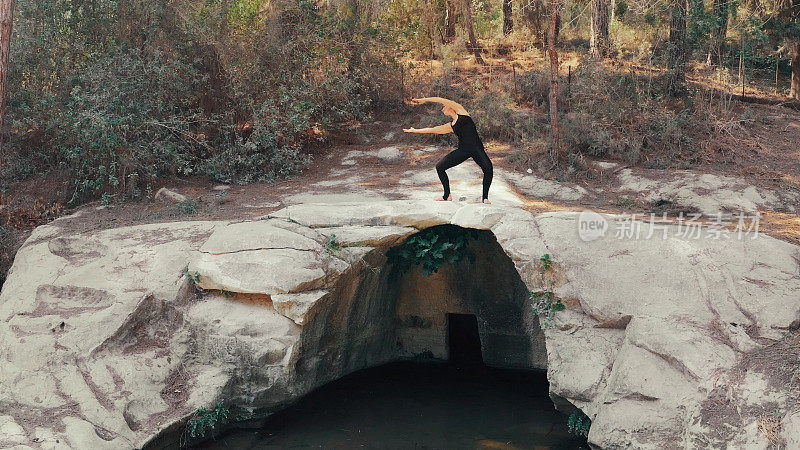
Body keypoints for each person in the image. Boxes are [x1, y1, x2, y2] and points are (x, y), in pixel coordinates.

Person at [403, 97, 493, 204]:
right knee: (440, 167)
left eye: (443, 107)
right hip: (463, 150)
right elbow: (433, 129)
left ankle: (485, 198)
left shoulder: (461, 112)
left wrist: (424, 99)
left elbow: (440, 99)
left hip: (477, 149)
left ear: (450, 107)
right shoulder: (451, 126)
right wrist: (415, 131)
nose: (442, 109)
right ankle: (447, 196)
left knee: (488, 169)